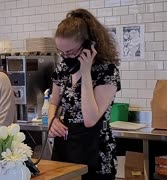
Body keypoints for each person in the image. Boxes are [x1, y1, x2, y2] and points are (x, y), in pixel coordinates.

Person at [48, 9, 121, 179]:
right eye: (62, 52)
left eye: (71, 52)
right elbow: (53, 103)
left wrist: (86, 72)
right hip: (65, 149)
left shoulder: (107, 72)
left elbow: (90, 119)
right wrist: (52, 120)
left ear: (90, 45)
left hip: (96, 152)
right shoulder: (63, 68)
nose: (66, 57)